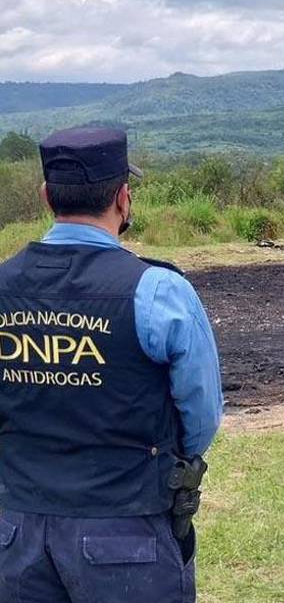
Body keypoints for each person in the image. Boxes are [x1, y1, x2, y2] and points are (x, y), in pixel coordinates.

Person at [0, 128, 223, 603]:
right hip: (127, 530)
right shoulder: (158, 290)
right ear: (123, 199)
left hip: (13, 533)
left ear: (46, 198)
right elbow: (201, 417)